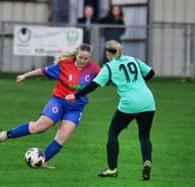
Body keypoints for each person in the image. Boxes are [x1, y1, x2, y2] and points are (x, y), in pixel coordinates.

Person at [0, 44, 100, 167]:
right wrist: (25, 75)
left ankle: (41, 161)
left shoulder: (94, 69)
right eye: (80, 57)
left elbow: (108, 77)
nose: (82, 61)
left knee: (63, 137)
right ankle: (5, 135)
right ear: (76, 55)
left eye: (86, 59)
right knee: (40, 127)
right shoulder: (64, 65)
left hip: (76, 107)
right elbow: (43, 71)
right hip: (59, 101)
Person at [65, 40, 155, 180]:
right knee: (144, 136)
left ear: (107, 53)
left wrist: (75, 95)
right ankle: (147, 161)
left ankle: (112, 169)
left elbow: (93, 85)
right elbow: (151, 73)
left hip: (129, 103)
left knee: (113, 134)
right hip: (148, 101)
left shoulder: (109, 67)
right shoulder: (133, 60)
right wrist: (137, 84)